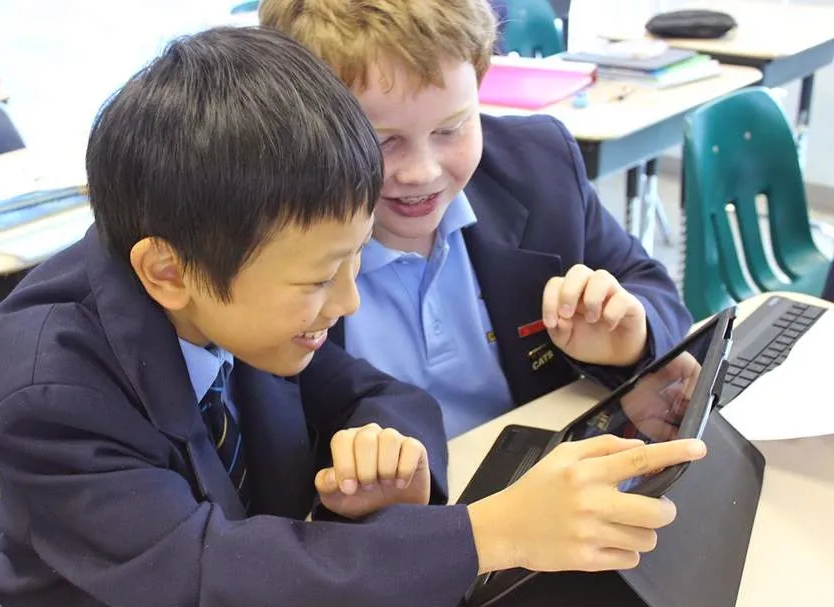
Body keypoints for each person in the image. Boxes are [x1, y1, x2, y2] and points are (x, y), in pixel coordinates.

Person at [0, 27, 706, 607]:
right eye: (322, 279)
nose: (349, 300)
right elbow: (204, 580)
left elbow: (380, 394)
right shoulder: (49, 393)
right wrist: (488, 534)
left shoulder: (237, 277)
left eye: (355, 260)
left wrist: (382, 453)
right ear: (167, 272)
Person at [259, 0, 695, 438]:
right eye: (382, 142)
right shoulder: (260, 233)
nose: (422, 172)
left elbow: (646, 283)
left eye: (451, 129)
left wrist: (630, 339)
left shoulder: (539, 166)